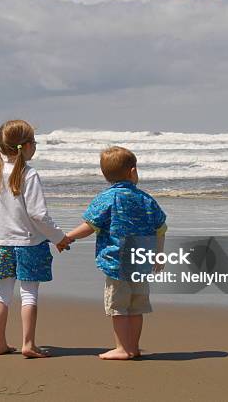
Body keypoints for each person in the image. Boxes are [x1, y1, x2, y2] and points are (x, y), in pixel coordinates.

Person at [61, 146, 167, 360]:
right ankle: (134, 347)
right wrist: (159, 254)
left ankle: (122, 348)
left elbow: (90, 225)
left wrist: (68, 237)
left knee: (118, 307)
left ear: (105, 175)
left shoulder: (106, 198)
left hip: (116, 264)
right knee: (137, 307)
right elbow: (161, 228)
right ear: (133, 171)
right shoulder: (146, 199)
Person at [0, 119, 72, 358]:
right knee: (29, 294)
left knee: (1, 294)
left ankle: (0, 342)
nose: (36, 145)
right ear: (25, 146)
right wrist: (59, 238)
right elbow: (38, 214)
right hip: (29, 244)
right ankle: (28, 344)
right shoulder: (29, 174)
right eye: (34, 141)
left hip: (2, 242)